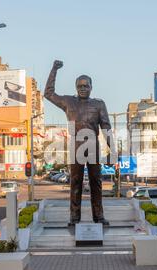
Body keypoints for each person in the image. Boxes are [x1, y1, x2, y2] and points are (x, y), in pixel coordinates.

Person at [45, 60, 114, 226]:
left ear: (91, 87)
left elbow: (106, 126)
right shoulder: (69, 102)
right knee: (75, 182)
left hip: (93, 146)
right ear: (76, 87)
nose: (83, 88)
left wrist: (113, 151)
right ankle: (74, 218)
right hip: (75, 145)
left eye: (86, 86)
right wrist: (54, 69)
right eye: (80, 86)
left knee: (96, 183)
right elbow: (48, 93)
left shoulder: (99, 104)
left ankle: (98, 216)